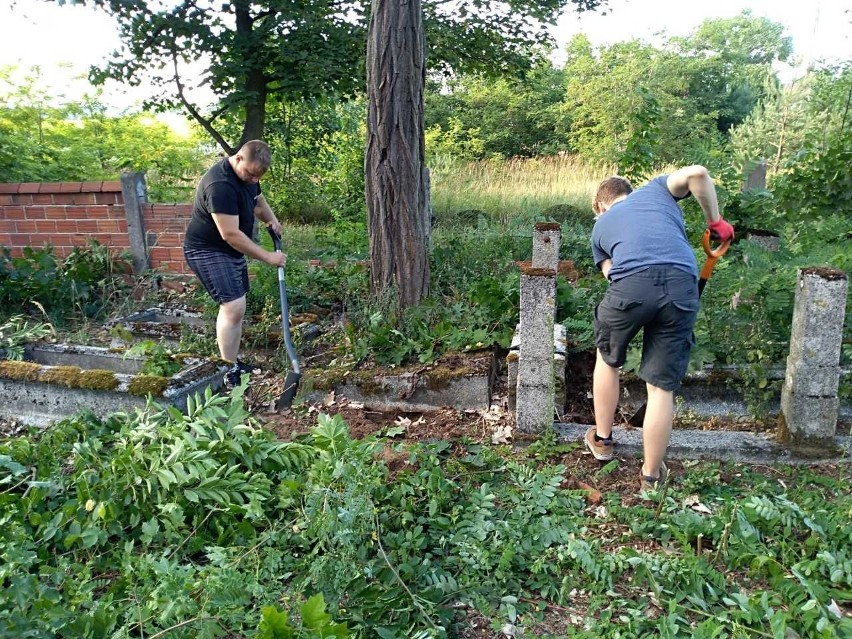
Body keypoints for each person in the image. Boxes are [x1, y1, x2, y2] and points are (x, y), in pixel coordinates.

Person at [585, 165, 734, 493]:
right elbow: (698, 173)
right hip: (682, 284)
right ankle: (651, 476)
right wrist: (716, 223)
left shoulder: (599, 230)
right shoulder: (657, 191)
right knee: (661, 388)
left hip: (631, 287)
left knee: (608, 358)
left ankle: (603, 440)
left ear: (600, 206)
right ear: (630, 192)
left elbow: (612, 275)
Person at [183, 139, 286, 389]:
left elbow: (258, 200)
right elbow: (229, 234)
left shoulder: (250, 176)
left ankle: (232, 363)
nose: (253, 180)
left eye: (257, 176)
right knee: (233, 306)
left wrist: (272, 220)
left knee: (237, 307)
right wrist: (268, 256)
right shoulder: (220, 186)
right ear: (238, 158)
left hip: (229, 249)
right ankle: (227, 371)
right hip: (208, 249)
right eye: (250, 174)